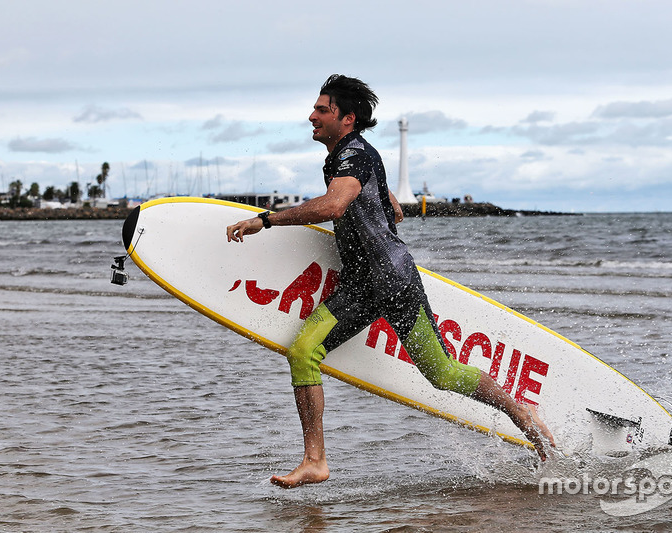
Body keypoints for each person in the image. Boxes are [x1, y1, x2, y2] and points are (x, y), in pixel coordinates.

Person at [226, 74, 555, 489]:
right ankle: (315, 461)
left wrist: (266, 219)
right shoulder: (349, 155)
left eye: (321, 109)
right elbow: (389, 207)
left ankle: (521, 414)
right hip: (362, 285)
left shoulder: (354, 154)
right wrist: (383, 203)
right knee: (304, 350)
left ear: (347, 119)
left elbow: (334, 204)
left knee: (443, 375)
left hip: (393, 281)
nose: (311, 116)